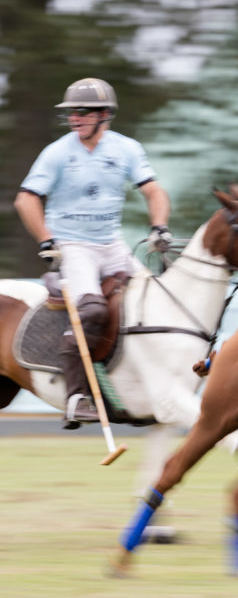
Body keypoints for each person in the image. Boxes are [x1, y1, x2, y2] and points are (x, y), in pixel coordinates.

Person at [14, 78, 172, 429]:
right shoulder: (57, 152)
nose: (75, 119)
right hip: (73, 245)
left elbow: (154, 191)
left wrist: (159, 226)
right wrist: (45, 239)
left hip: (112, 244)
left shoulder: (127, 149)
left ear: (104, 115)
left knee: (155, 299)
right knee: (92, 309)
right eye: (72, 113)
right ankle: (75, 396)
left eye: (82, 112)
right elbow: (26, 198)